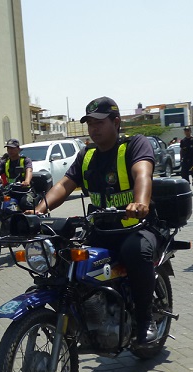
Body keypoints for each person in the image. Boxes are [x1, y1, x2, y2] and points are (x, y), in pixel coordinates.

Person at [30, 96, 159, 345]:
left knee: (136, 251)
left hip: (137, 228)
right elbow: (64, 185)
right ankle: (81, 314)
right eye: (90, 123)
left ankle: (145, 319)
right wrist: (38, 210)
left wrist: (140, 202)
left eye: (99, 122)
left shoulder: (134, 145)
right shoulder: (86, 155)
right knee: (63, 257)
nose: (93, 128)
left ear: (116, 122)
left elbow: (143, 173)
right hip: (100, 231)